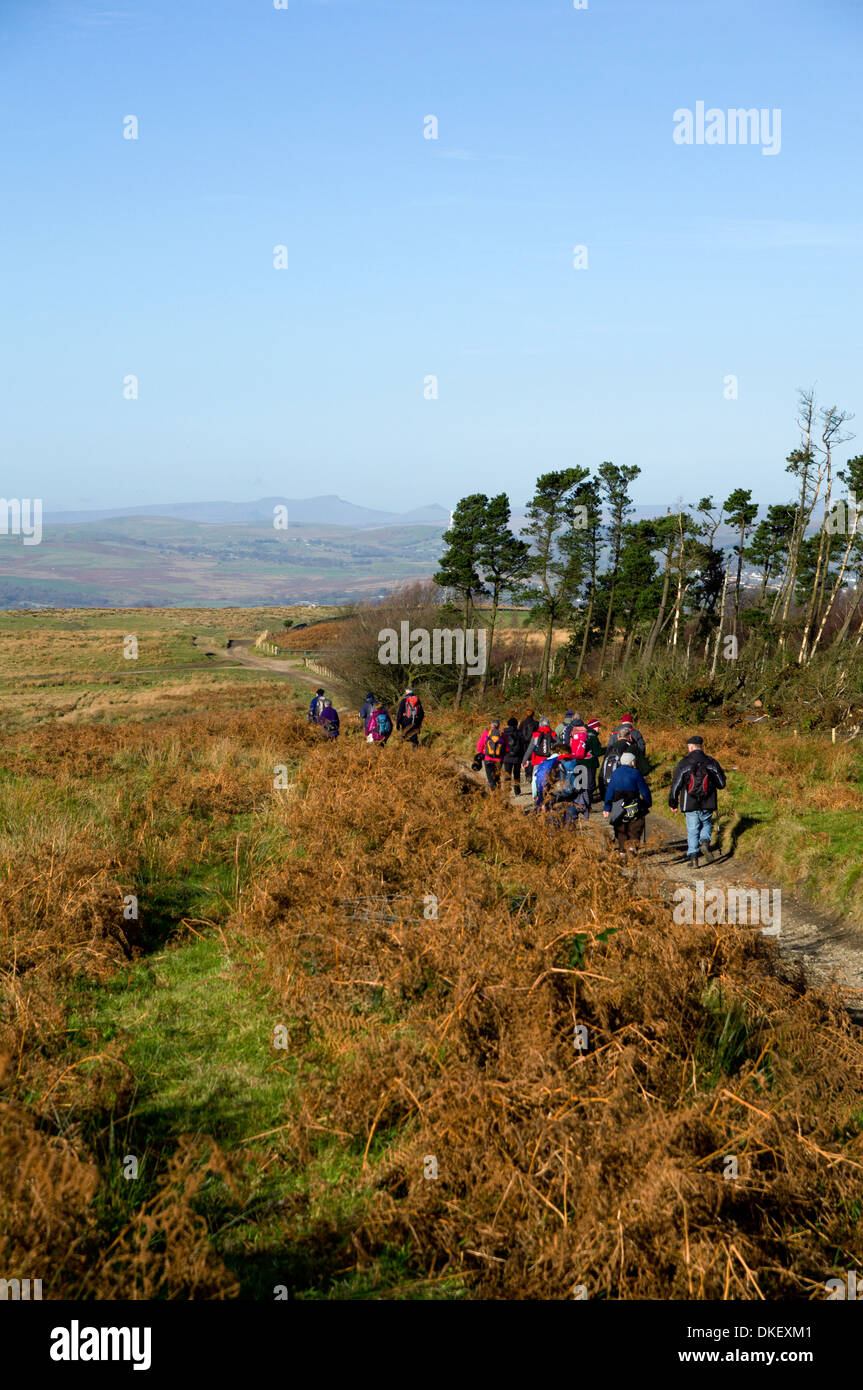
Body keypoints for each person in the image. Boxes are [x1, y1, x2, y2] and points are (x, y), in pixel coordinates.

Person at [668, 735, 727, 867]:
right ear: (701, 747)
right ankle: (705, 842)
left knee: (692, 829)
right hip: (708, 801)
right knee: (706, 824)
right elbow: (721, 784)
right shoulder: (711, 762)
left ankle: (694, 858)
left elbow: (676, 784)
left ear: (690, 747)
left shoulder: (684, 763)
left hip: (689, 803)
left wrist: (673, 802)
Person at [603, 751, 652, 859]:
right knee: (635, 827)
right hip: (633, 804)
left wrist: (607, 806)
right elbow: (645, 791)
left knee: (620, 828)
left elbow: (610, 790)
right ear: (632, 761)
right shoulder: (636, 773)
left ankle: (622, 852)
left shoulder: (615, 773)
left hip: (618, 805)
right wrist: (647, 803)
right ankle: (632, 849)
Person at [477, 719, 505, 789]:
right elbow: (506, 748)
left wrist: (483, 753)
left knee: (490, 779)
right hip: (498, 760)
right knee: (497, 778)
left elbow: (479, 747)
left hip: (488, 759)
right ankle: (498, 794)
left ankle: (493, 794)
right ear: (499, 726)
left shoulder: (486, 733)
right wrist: (502, 756)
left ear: (491, 725)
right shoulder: (502, 734)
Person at [501, 716, 525, 796]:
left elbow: (502, 745)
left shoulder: (504, 734)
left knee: (507, 774)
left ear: (508, 724)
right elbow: (523, 745)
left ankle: (507, 791)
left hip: (507, 757)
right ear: (516, 724)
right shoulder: (520, 733)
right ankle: (517, 791)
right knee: (517, 774)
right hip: (517, 757)